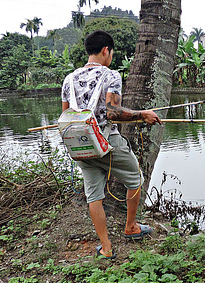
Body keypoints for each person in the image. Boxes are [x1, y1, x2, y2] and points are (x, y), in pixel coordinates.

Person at [61, 30, 161, 259]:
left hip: (79, 144)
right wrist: (142, 114)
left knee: (93, 195)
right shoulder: (111, 76)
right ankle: (131, 227)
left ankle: (106, 248)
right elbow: (113, 113)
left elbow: (66, 116)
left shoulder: (68, 80)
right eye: (111, 53)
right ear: (106, 50)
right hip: (107, 141)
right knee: (135, 178)